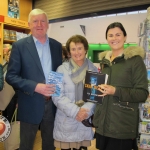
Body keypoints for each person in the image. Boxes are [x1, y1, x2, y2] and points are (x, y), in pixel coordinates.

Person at [6, 9, 62, 150]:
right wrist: (35, 86)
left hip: (52, 105)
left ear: (48, 24)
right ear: (29, 24)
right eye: (35, 21)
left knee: (50, 145)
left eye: (42, 21)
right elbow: (11, 76)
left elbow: (59, 72)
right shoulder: (19, 46)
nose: (39, 24)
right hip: (29, 103)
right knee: (26, 145)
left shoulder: (56, 46)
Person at [93, 22, 149, 150]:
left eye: (118, 34)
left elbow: (142, 93)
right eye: (110, 35)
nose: (114, 38)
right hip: (102, 125)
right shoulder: (104, 62)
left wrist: (115, 91)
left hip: (122, 127)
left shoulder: (135, 61)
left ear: (125, 37)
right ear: (107, 39)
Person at [52, 35, 97, 150]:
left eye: (80, 48)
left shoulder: (94, 69)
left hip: (84, 121)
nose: (77, 52)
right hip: (65, 122)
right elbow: (56, 95)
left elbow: (95, 95)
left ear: (86, 49)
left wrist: (84, 111)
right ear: (69, 52)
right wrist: (76, 111)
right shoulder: (59, 69)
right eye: (73, 49)